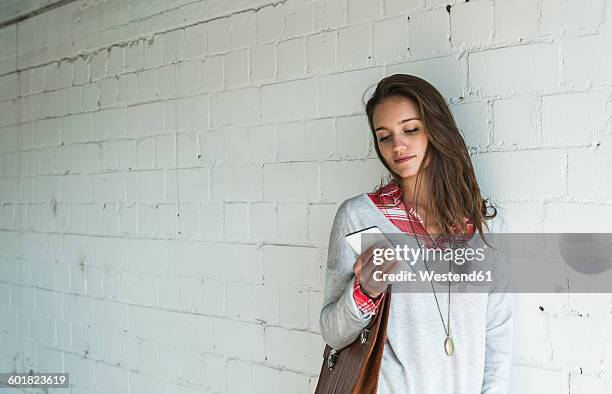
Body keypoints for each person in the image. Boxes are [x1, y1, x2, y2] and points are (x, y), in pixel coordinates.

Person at [319, 74, 514, 393]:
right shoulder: (360, 218)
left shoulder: (487, 228)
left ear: (436, 130)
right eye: (384, 136)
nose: (397, 146)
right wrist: (365, 290)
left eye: (410, 129)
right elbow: (333, 333)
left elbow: (498, 335)